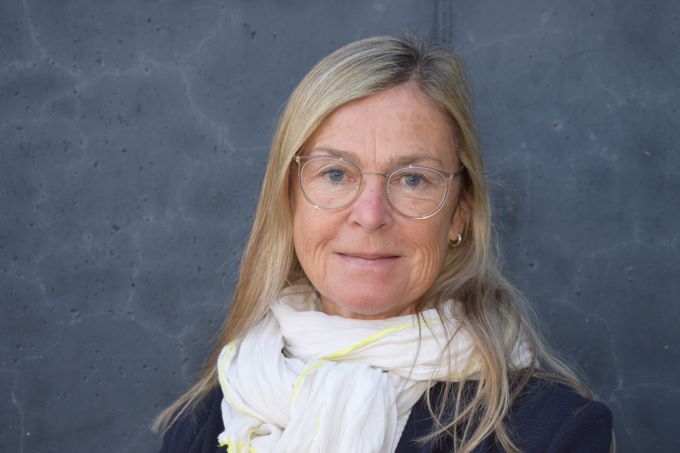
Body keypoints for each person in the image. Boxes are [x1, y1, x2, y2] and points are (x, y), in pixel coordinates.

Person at [154, 35, 613, 453]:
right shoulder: (203, 424)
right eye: (336, 173)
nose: (371, 215)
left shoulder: (554, 433)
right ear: (289, 200)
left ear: (459, 212)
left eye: (412, 179)